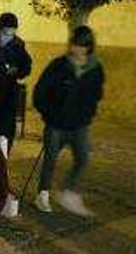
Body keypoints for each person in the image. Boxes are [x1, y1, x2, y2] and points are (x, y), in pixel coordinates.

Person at [32, 25, 105, 217]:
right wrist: (49, 115)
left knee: (82, 159)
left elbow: (97, 95)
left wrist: (89, 114)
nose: (77, 50)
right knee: (50, 160)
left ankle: (69, 191)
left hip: (80, 125)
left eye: (82, 46)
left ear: (89, 47)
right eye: (75, 45)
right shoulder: (58, 66)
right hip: (56, 124)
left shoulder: (95, 69)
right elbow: (40, 93)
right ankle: (42, 194)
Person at [0, 13, 33, 152]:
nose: (9, 36)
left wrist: (17, 71)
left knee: (5, 133)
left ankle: (2, 160)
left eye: (12, 32)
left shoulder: (18, 45)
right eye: (6, 32)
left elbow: (26, 67)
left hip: (8, 95)